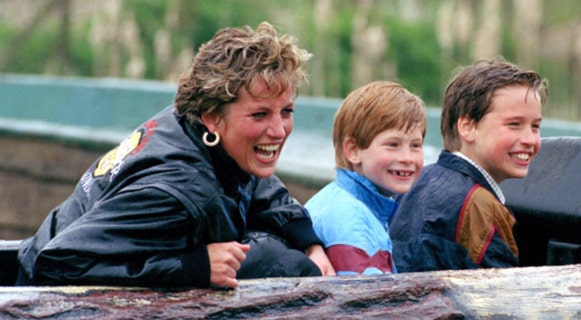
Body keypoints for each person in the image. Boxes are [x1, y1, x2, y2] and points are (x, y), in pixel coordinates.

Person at [16, 22, 335, 288]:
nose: (279, 130)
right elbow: (57, 262)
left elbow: (256, 183)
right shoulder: (179, 191)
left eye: (287, 111)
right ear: (213, 116)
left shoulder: (195, 128)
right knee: (284, 266)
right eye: (260, 115)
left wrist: (309, 241)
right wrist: (194, 266)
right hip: (42, 296)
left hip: (59, 243)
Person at [390, 58, 549, 272]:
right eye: (514, 124)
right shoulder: (481, 207)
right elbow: (500, 299)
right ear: (467, 127)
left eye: (535, 126)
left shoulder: (416, 181)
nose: (530, 139)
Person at [305, 81, 427, 275]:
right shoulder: (354, 223)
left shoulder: (342, 199)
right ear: (353, 150)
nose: (407, 158)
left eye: (415, 145)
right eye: (393, 144)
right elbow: (367, 301)